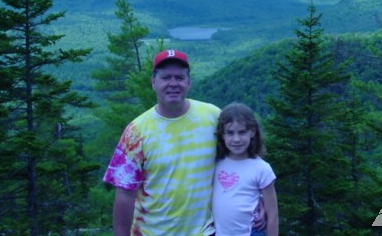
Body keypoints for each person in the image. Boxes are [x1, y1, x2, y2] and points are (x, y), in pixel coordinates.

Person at [103, 49, 220, 235]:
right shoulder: (136, 132)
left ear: (188, 82)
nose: (173, 83)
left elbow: (239, 160)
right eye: (166, 78)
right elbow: (124, 194)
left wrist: (260, 199)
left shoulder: (213, 117)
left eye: (179, 77)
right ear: (153, 82)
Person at [213, 102, 279, 236]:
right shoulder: (215, 163)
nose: (236, 139)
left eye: (242, 132)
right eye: (230, 133)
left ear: (252, 132)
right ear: (222, 135)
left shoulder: (262, 168)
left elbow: (272, 214)